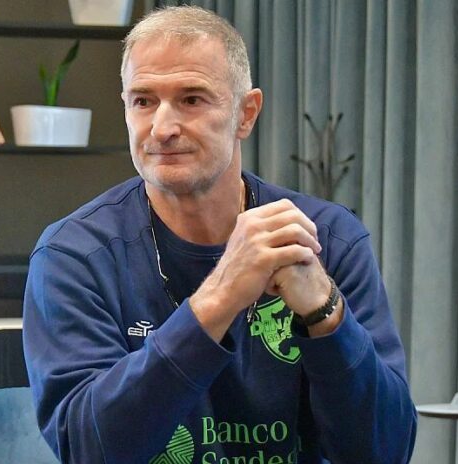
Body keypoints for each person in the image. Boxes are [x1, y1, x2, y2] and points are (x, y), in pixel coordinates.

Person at [23, 6, 417, 464]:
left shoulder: (327, 238)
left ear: (246, 114)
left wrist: (326, 315)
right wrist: (220, 297)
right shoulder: (73, 255)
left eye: (192, 99)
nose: (162, 128)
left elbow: (385, 451)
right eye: (143, 101)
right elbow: (88, 451)